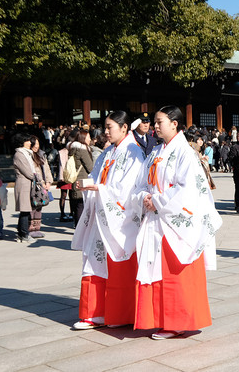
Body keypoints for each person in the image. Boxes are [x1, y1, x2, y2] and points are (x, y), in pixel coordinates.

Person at [129, 105, 222, 340]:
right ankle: (160, 319)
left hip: (174, 221)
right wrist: (145, 197)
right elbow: (141, 183)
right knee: (157, 270)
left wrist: (157, 201)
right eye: (155, 122)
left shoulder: (185, 152)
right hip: (156, 218)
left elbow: (187, 189)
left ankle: (177, 321)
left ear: (174, 123)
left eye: (160, 122)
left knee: (174, 271)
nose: (155, 126)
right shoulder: (156, 151)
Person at [70, 111, 145, 330]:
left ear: (124, 128)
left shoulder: (134, 153)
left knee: (115, 263)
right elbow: (96, 176)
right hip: (101, 213)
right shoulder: (108, 152)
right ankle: (94, 313)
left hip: (118, 218)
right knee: (94, 261)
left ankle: (119, 313)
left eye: (109, 127)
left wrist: (98, 188)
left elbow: (128, 188)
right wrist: (87, 184)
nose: (105, 131)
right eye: (105, 127)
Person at [13, 133, 37, 243]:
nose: (29, 142)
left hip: (28, 184)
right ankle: (24, 234)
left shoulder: (27, 153)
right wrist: (35, 176)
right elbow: (28, 172)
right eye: (27, 140)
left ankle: (20, 233)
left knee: (26, 210)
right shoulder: (20, 154)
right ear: (22, 142)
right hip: (23, 184)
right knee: (25, 210)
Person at [28, 135, 53, 238]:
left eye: (38, 144)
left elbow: (46, 169)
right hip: (33, 185)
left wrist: (48, 182)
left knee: (39, 206)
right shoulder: (28, 156)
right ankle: (30, 228)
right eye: (35, 144)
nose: (36, 146)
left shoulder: (41, 155)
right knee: (32, 206)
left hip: (42, 185)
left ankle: (37, 228)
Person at [69, 130, 94, 226]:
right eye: (88, 137)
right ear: (83, 139)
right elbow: (90, 167)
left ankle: (77, 226)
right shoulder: (82, 150)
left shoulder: (73, 149)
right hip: (82, 180)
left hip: (74, 179)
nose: (90, 139)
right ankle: (81, 227)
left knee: (76, 206)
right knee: (81, 205)